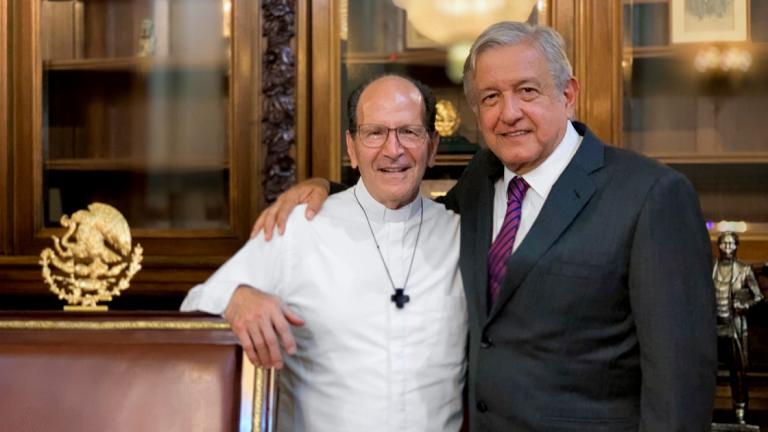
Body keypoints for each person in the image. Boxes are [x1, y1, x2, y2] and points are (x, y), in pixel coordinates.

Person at [253, 22, 718, 431]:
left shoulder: (651, 196)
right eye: (490, 98)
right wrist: (322, 188)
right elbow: (405, 218)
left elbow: (679, 387)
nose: (508, 112)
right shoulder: (481, 179)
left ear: (568, 94)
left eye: (527, 91)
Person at [181, 75, 467, 431]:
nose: (393, 150)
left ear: (433, 145)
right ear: (351, 147)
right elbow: (196, 304)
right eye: (375, 133)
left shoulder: (461, 234)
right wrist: (237, 297)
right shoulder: (300, 227)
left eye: (409, 132)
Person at [713, 231, 763, 424]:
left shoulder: (744, 269)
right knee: (708, 370)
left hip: (733, 325)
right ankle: (705, 408)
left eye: (731, 244)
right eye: (724, 244)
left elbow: (758, 296)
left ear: (736, 246)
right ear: (718, 245)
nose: (727, 248)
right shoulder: (711, 267)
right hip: (713, 326)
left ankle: (740, 410)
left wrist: (744, 306)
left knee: (738, 372)